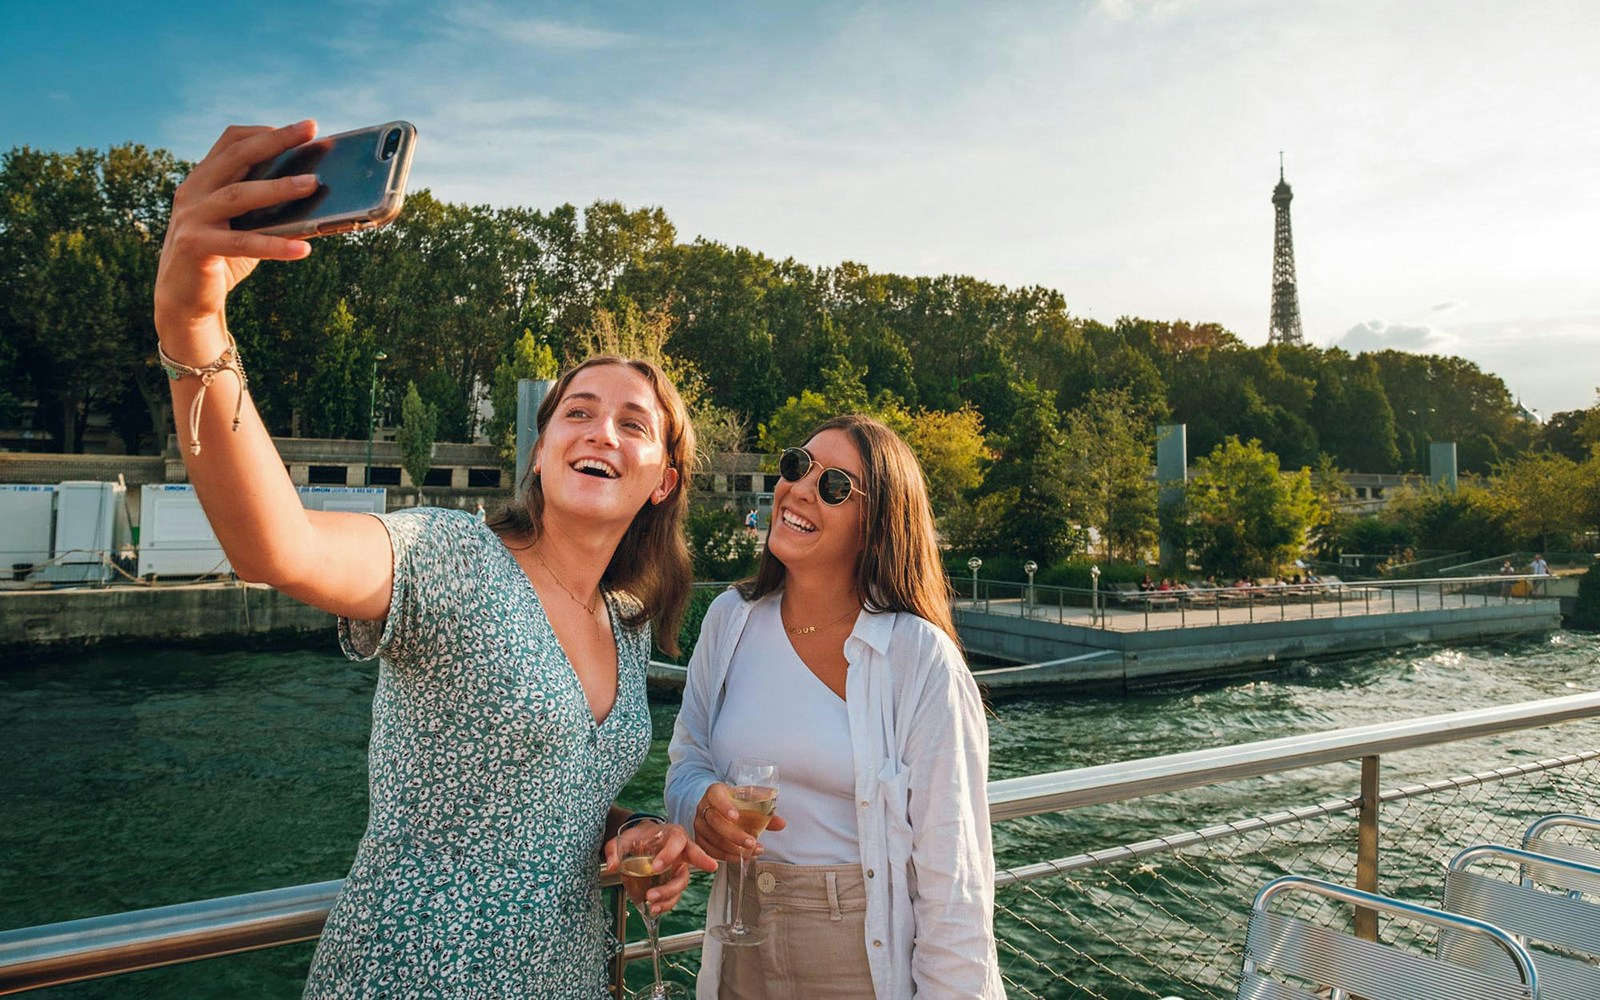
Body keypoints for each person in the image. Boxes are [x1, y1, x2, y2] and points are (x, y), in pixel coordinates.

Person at [153, 120, 714, 997]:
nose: (599, 429)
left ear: (661, 483)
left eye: (631, 423)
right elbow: (277, 544)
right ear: (539, 453)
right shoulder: (452, 558)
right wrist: (193, 324)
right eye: (576, 412)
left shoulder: (625, 622)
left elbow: (541, 791)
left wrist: (633, 825)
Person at [666, 415, 1005, 999]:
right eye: (798, 466)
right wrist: (700, 806)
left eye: (834, 486)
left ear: (877, 525)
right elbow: (686, 761)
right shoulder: (730, 618)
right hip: (739, 940)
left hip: (865, 955)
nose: (798, 488)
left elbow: (955, 885)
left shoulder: (919, 659)